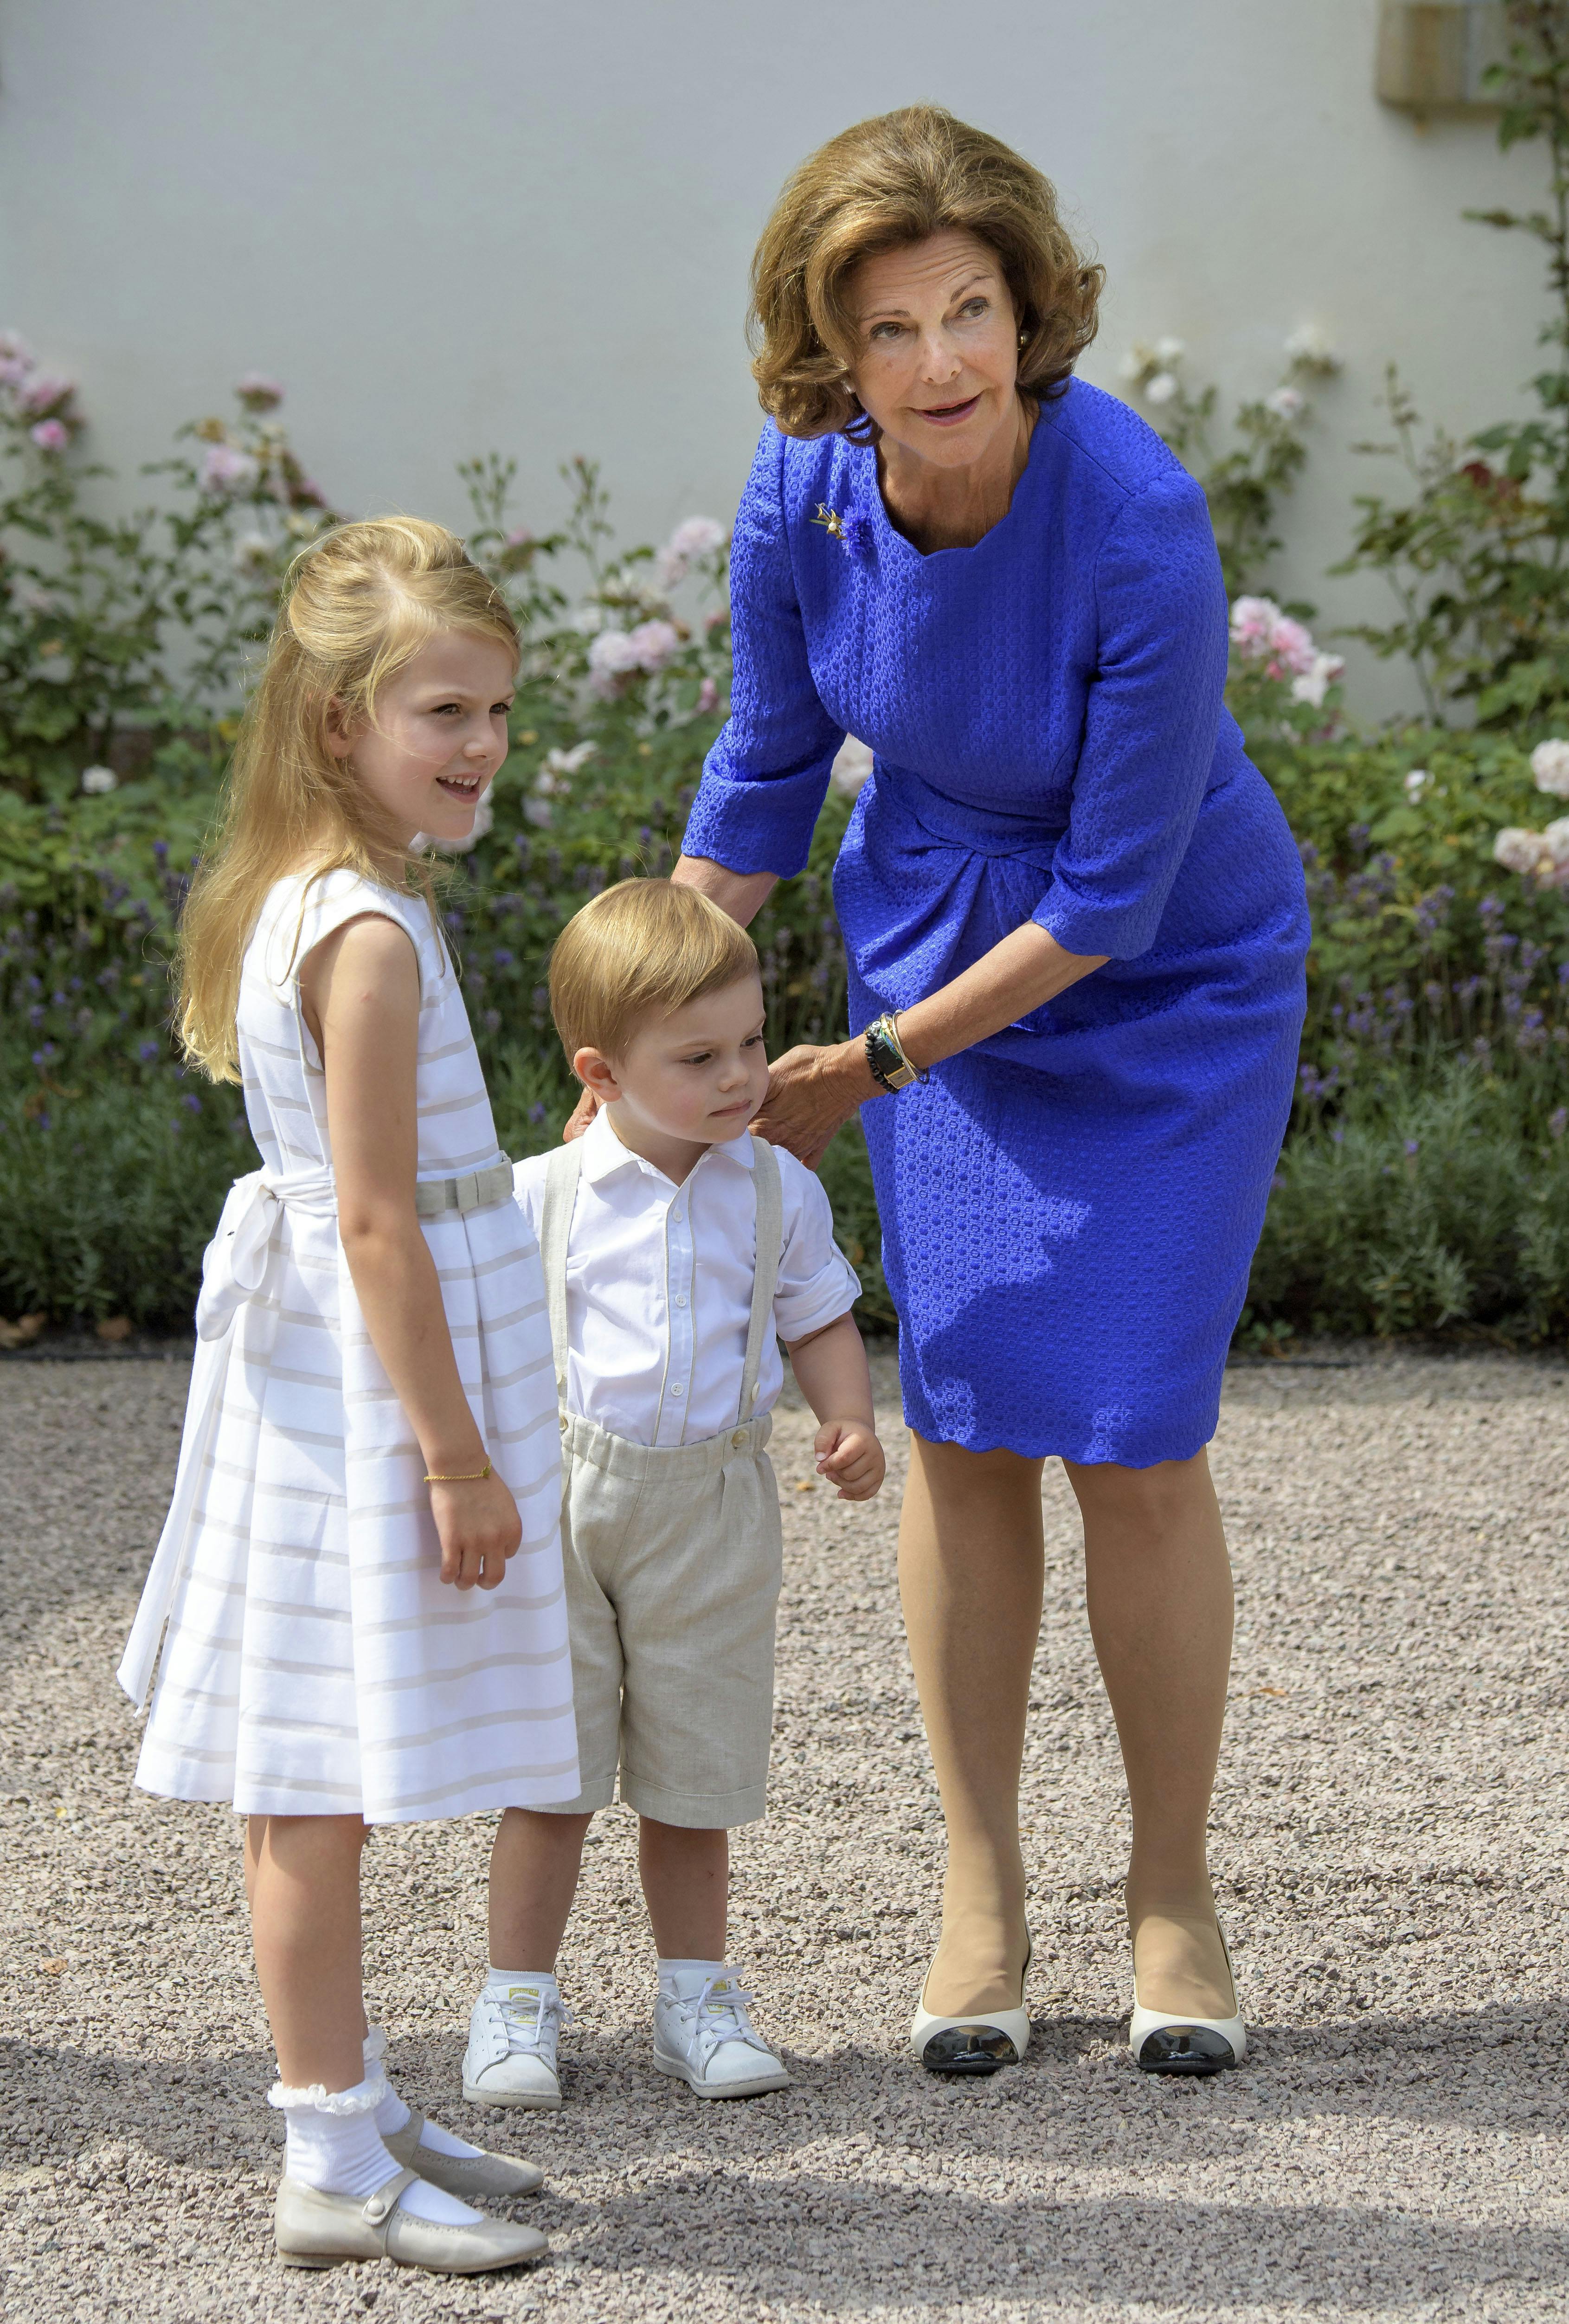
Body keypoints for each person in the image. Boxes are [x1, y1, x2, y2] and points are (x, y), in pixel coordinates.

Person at [666, 107, 1310, 2078]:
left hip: (1166, 978)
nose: (944, 360)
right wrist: (671, 970)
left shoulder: (1139, 520)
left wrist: (864, 1063)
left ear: (1029, 311)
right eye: (894, 327)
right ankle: (982, 1888)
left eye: (974, 309)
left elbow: (1115, 897)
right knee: (957, 1427)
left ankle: (1175, 1889)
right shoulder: (804, 494)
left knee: (1132, 1427)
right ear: (828, 355)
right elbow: (771, 761)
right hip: (939, 928)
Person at [117, 518, 576, 2272]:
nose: (478, 747)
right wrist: (456, 1453)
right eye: (441, 711)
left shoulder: (316, 896)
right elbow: (378, 1218)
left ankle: (356, 2091)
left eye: (496, 714)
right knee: (308, 1767)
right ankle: (323, 2149)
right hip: (365, 1398)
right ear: (337, 724)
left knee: (312, 1762)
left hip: (328, 1372)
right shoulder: (364, 935)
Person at [462, 878, 884, 2109]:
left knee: (696, 1773)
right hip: (561, 1504)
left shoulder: (774, 1193)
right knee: (552, 1773)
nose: (741, 1075)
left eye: (751, 1041)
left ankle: (695, 1994)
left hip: (713, 1503)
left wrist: (847, 1417)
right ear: (601, 1072)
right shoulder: (539, 1197)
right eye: (698, 1056)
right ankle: (516, 1999)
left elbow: (820, 1318)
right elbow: (484, 1354)